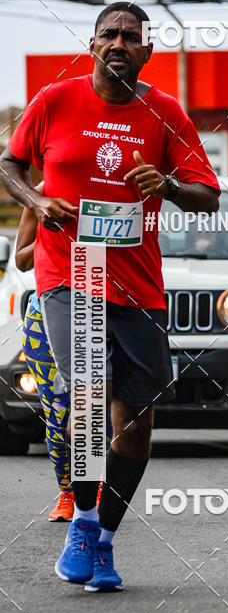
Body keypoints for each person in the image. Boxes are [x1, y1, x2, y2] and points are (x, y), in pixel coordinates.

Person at [0, 1, 220, 591]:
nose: (119, 43)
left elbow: (208, 196)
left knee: (138, 420)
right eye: (109, 34)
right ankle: (82, 518)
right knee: (90, 392)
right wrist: (37, 201)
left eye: (130, 36)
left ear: (147, 51)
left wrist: (167, 185)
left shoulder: (166, 113)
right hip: (71, 271)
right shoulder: (55, 101)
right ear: (93, 44)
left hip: (138, 283)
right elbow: (9, 162)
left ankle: (103, 537)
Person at [16, 201, 111, 521]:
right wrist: (51, 235)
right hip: (43, 320)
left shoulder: (108, 197)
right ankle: (68, 492)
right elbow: (21, 261)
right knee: (57, 412)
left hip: (96, 313)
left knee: (93, 407)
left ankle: (95, 489)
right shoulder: (41, 198)